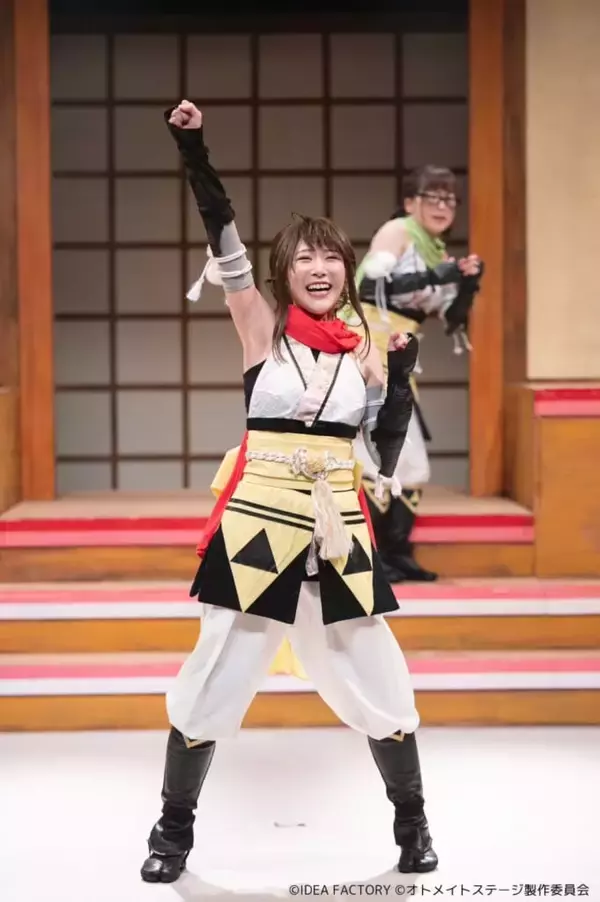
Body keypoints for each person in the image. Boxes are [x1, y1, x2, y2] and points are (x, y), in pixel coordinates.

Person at [140, 100, 438, 884]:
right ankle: (172, 832)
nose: (319, 266)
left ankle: (413, 824)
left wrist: (399, 377)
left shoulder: (364, 350)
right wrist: (193, 147)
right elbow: (221, 231)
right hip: (258, 528)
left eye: (331, 255)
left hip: (339, 536)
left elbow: (385, 446)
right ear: (284, 272)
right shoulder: (260, 329)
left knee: (379, 679)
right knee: (212, 679)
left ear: (346, 268)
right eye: (305, 256)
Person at [353, 167, 484, 583]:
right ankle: (370, 555)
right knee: (375, 456)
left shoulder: (437, 253)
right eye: (433, 197)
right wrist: (437, 275)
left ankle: (397, 552)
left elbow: (452, 318)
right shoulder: (397, 232)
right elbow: (370, 285)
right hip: (366, 349)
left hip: (400, 356)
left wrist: (468, 284)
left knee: (409, 464)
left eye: (450, 199)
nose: (443, 206)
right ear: (410, 202)